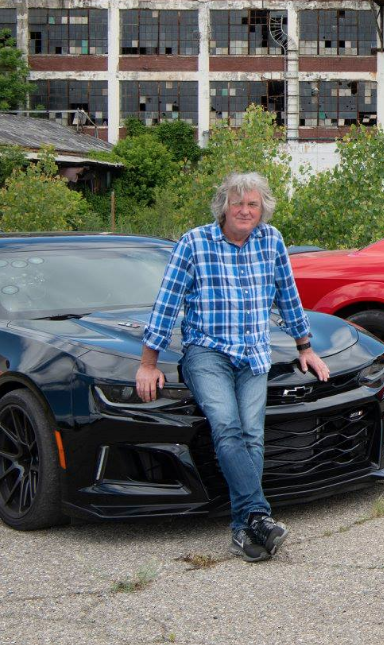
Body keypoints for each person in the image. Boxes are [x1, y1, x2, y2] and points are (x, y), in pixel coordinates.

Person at [136, 172, 330, 562]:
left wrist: (305, 347)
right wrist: (148, 363)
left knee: (252, 435)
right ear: (224, 206)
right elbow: (167, 304)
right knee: (226, 425)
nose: (245, 211)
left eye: (253, 204)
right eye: (238, 203)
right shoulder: (194, 243)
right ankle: (259, 514)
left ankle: (245, 530)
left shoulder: (271, 241)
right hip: (207, 352)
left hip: (254, 355)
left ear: (262, 210)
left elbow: (287, 296)